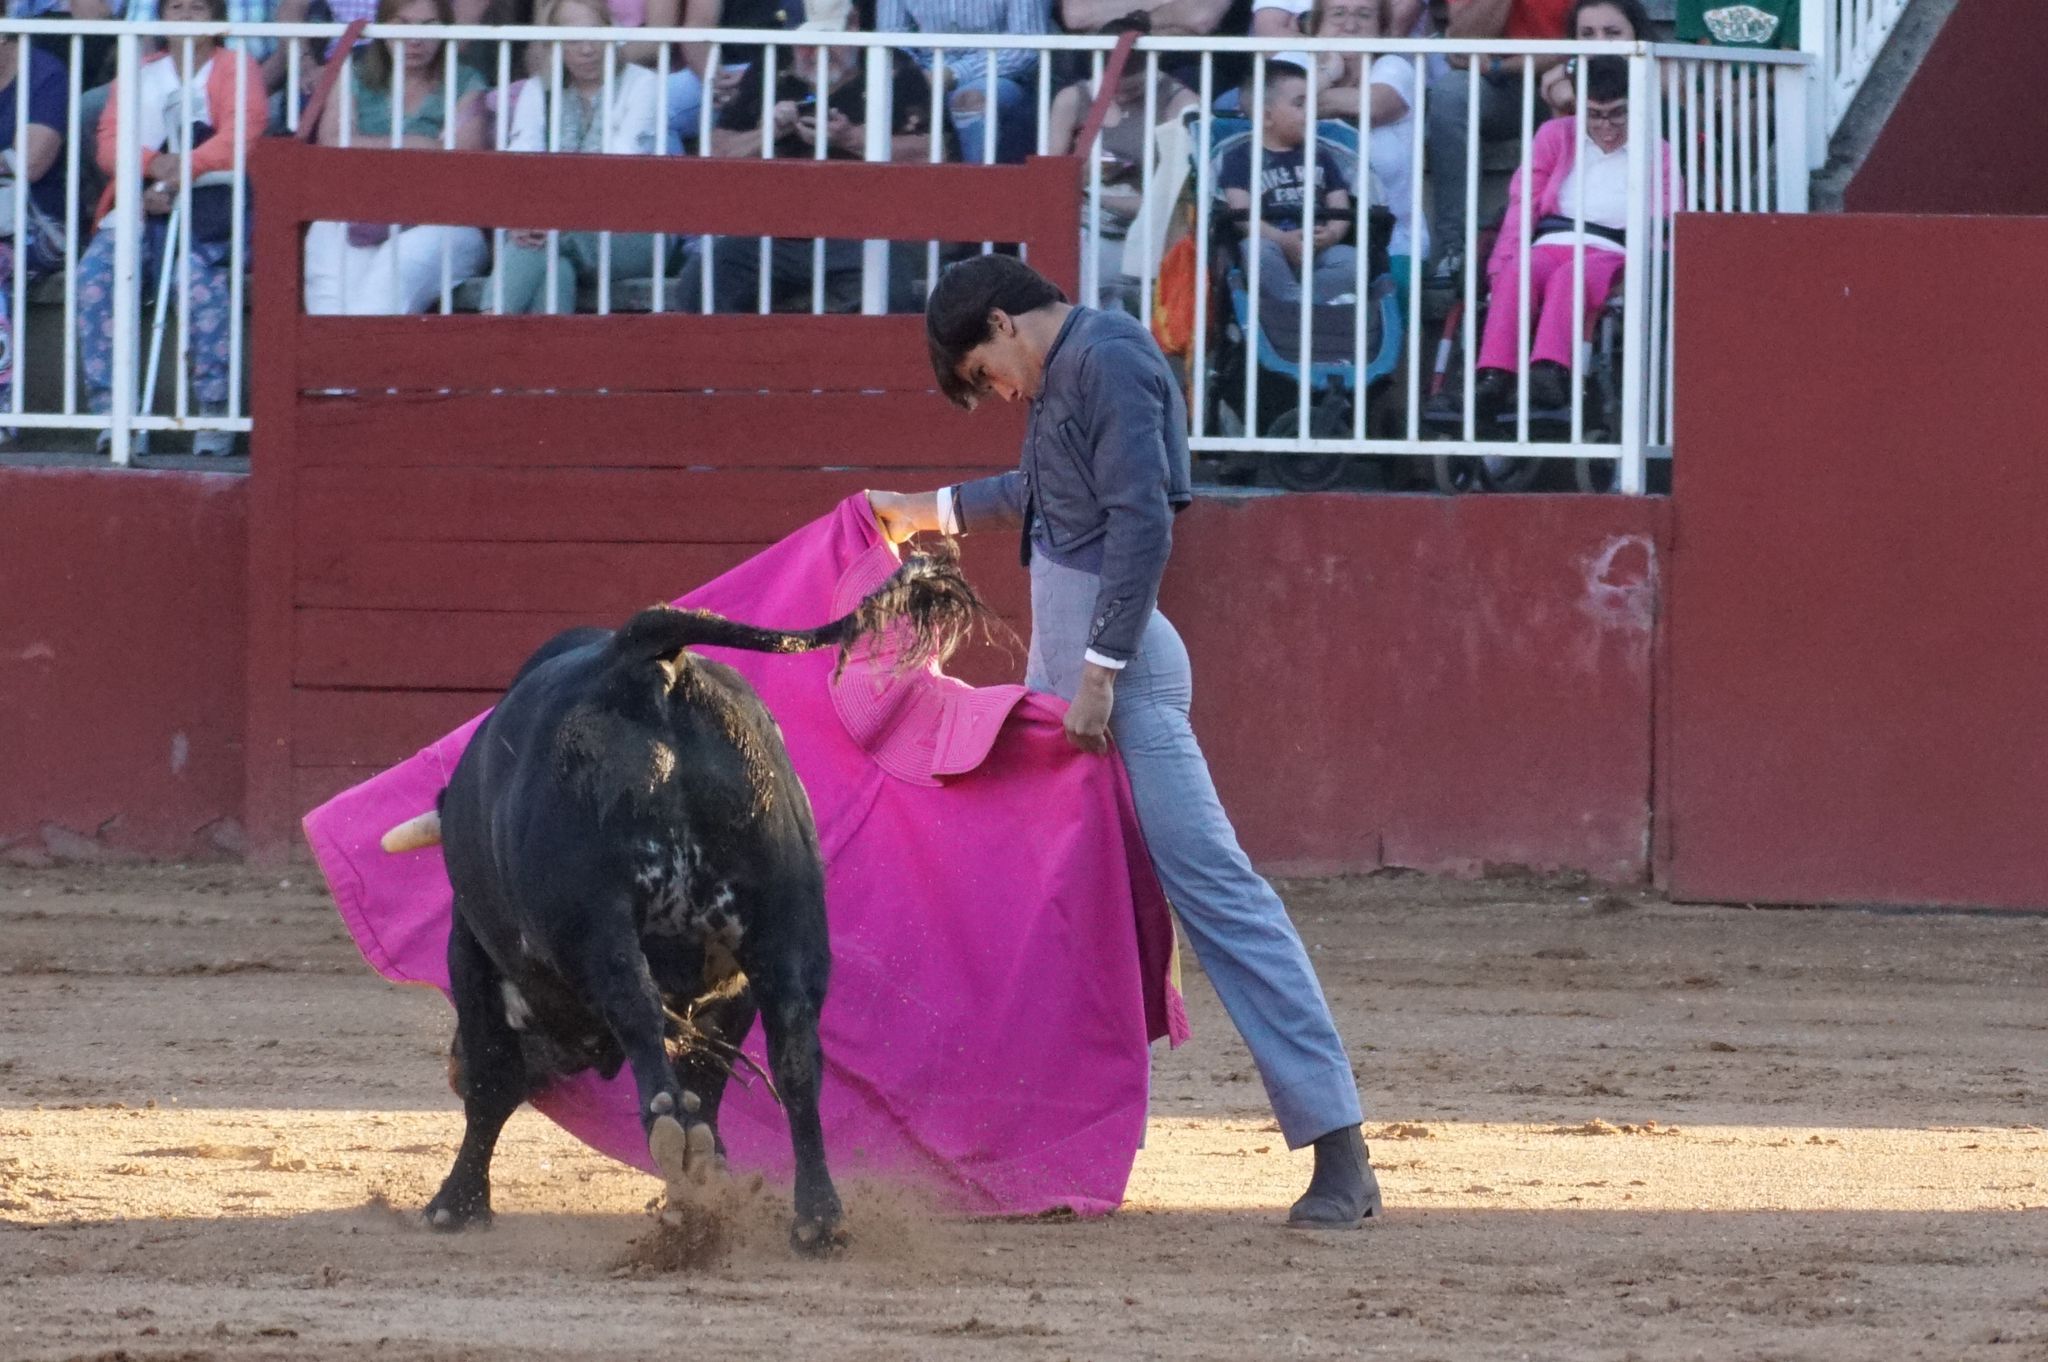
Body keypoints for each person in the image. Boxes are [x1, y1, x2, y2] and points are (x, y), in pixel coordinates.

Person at [866, 253, 1382, 1231]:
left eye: (982, 372)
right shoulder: (1075, 372)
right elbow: (1043, 491)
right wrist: (923, 512)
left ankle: (1340, 1156)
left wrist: (1099, 675)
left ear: (1005, 327)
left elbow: (1141, 523)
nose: (996, 390)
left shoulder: (1109, 361)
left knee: (1218, 894)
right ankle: (1013, 1146)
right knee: (1023, 911)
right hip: (1075, 680)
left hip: (1119, 683)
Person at [74, 0, 265, 455]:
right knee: (94, 278)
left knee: (195, 284)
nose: (186, 17)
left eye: (198, 8)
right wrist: (152, 167)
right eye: (176, 7)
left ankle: (213, 412)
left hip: (211, 213)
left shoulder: (236, 67)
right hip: (140, 206)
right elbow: (108, 143)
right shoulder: (139, 71)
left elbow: (245, 132)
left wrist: (185, 169)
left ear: (217, 19)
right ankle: (113, 411)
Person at [1468, 55, 1677, 415]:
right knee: (1521, 270)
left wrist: (1652, 270)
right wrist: (1502, 262)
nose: (1606, 125)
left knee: (1572, 277)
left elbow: (1666, 220)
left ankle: (1550, 370)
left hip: (1612, 251)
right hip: (1553, 240)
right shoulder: (1555, 135)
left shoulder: (1657, 152)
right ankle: (1495, 373)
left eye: (1618, 112)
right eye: (1594, 114)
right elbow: (1524, 203)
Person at [705, 0, 935, 312]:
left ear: (853, 24)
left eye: (826, 38)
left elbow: (932, 152)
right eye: (805, 42)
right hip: (771, 232)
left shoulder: (895, 68)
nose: (814, 51)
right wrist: (768, 131)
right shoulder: (772, 63)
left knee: (890, 296)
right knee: (699, 288)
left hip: (862, 233)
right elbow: (717, 149)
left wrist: (850, 138)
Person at [303, 0, 491, 316]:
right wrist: (421, 143)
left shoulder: (467, 82)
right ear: (381, 27)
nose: (415, 38)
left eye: (428, 26)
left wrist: (366, 144)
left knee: (389, 278)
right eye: (403, 23)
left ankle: (351, 364)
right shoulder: (352, 73)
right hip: (360, 214)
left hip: (441, 221)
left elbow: (459, 163)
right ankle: (337, 364)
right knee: (326, 253)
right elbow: (333, 143)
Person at [495, 0, 664, 314]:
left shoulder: (643, 83)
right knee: (555, 268)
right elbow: (520, 168)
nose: (588, 49)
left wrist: (543, 220)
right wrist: (522, 217)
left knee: (539, 241)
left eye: (596, 35)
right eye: (573, 39)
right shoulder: (537, 91)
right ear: (554, 45)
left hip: (631, 231)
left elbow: (619, 166)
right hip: (553, 229)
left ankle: (482, 330)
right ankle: (546, 361)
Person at [1043, 16, 1196, 316]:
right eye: (1112, 84)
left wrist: (1096, 195)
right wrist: (1084, 175)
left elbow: (1179, 189)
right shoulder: (1073, 98)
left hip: (1152, 218)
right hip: (1086, 220)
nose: (1120, 93)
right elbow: (1050, 180)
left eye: (1133, 88)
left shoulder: (1181, 101)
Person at [1423, 0, 1572, 291]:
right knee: (1452, 94)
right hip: (1504, 86)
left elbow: (1593, 36)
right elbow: (1462, 41)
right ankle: (1456, 248)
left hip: (1573, 75)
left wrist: (1501, 65)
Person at [1299, 0, 1428, 296]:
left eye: (1364, 15)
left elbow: (1371, 105)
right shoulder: (1296, 65)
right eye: (1338, 13)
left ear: (1382, 31)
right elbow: (1261, 108)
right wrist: (1328, 73)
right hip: (1309, 240)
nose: (1350, 24)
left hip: (1393, 243)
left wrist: (1306, 99)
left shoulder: (1394, 67)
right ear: (1316, 29)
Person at [1217, 61, 1358, 304]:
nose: (1310, 111)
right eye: (1299, 104)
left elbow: (1340, 206)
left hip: (1319, 247)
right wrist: (1280, 239)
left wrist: (1333, 234)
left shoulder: (1321, 155)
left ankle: (1301, 304)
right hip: (1272, 245)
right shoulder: (1240, 158)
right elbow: (1241, 213)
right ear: (1266, 116)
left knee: (1350, 259)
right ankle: (1298, 304)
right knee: (1255, 251)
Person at [875, 0, 1046, 164]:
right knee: (880, 95)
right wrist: (914, 77)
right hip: (923, 73)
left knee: (970, 99)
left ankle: (976, 185)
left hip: (998, 73)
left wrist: (953, 74)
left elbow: (1025, 48)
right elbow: (892, 40)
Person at [0, 27, 69, 419]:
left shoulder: (43, 73)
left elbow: (32, 162)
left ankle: (2, 401)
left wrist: (10, 160)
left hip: (36, 224)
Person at [1540, 0, 1649, 117]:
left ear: (1636, 34)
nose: (1599, 43)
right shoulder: (1562, 78)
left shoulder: (1662, 70)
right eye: (1587, 34)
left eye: (1613, 33)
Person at [1675, 0, 1799, 48]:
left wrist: (1747, 86)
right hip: (1715, 83)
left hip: (1770, 89)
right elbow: (1705, 55)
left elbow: (1789, 63)